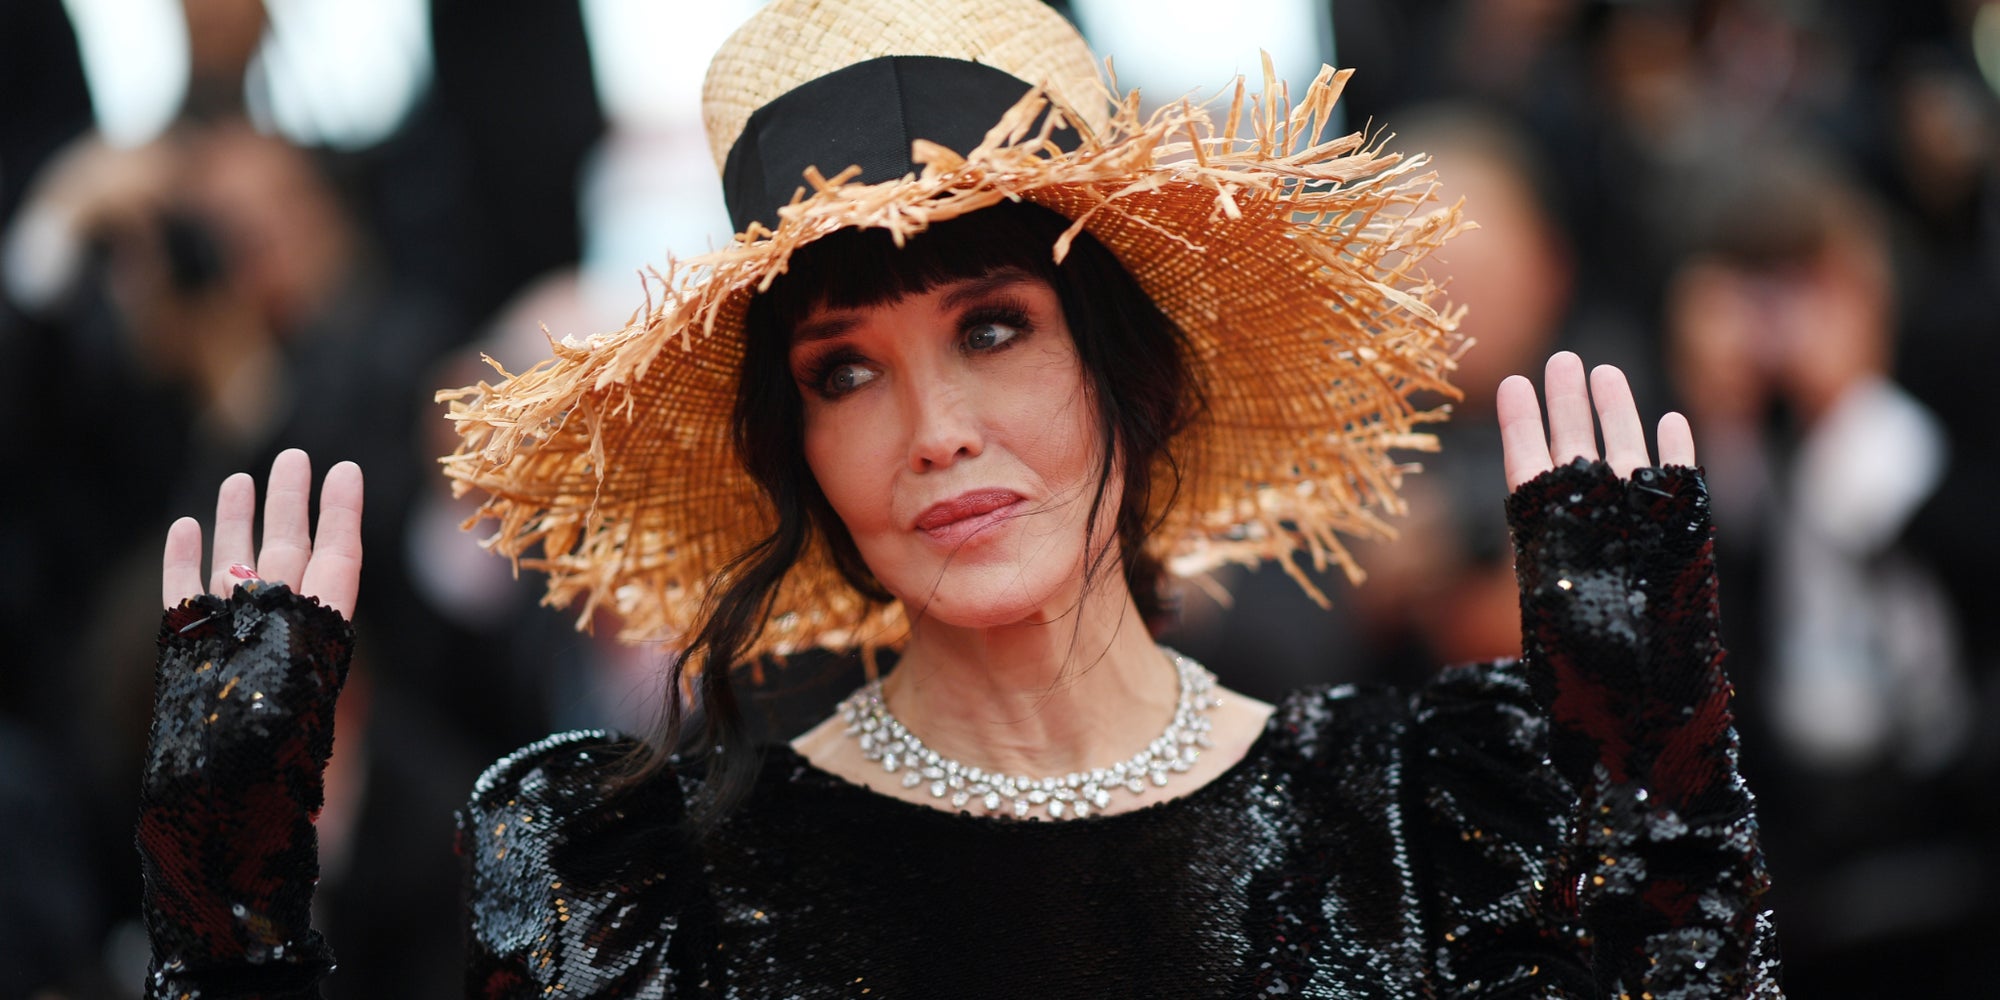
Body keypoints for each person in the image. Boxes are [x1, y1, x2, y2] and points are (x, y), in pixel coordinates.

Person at [138, 0, 1782, 996]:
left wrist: (1665, 821)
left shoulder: (1418, 813)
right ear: (797, 448)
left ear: (1125, 372)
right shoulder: (642, 888)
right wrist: (232, 925)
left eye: (996, 328)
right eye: (844, 369)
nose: (933, 429)